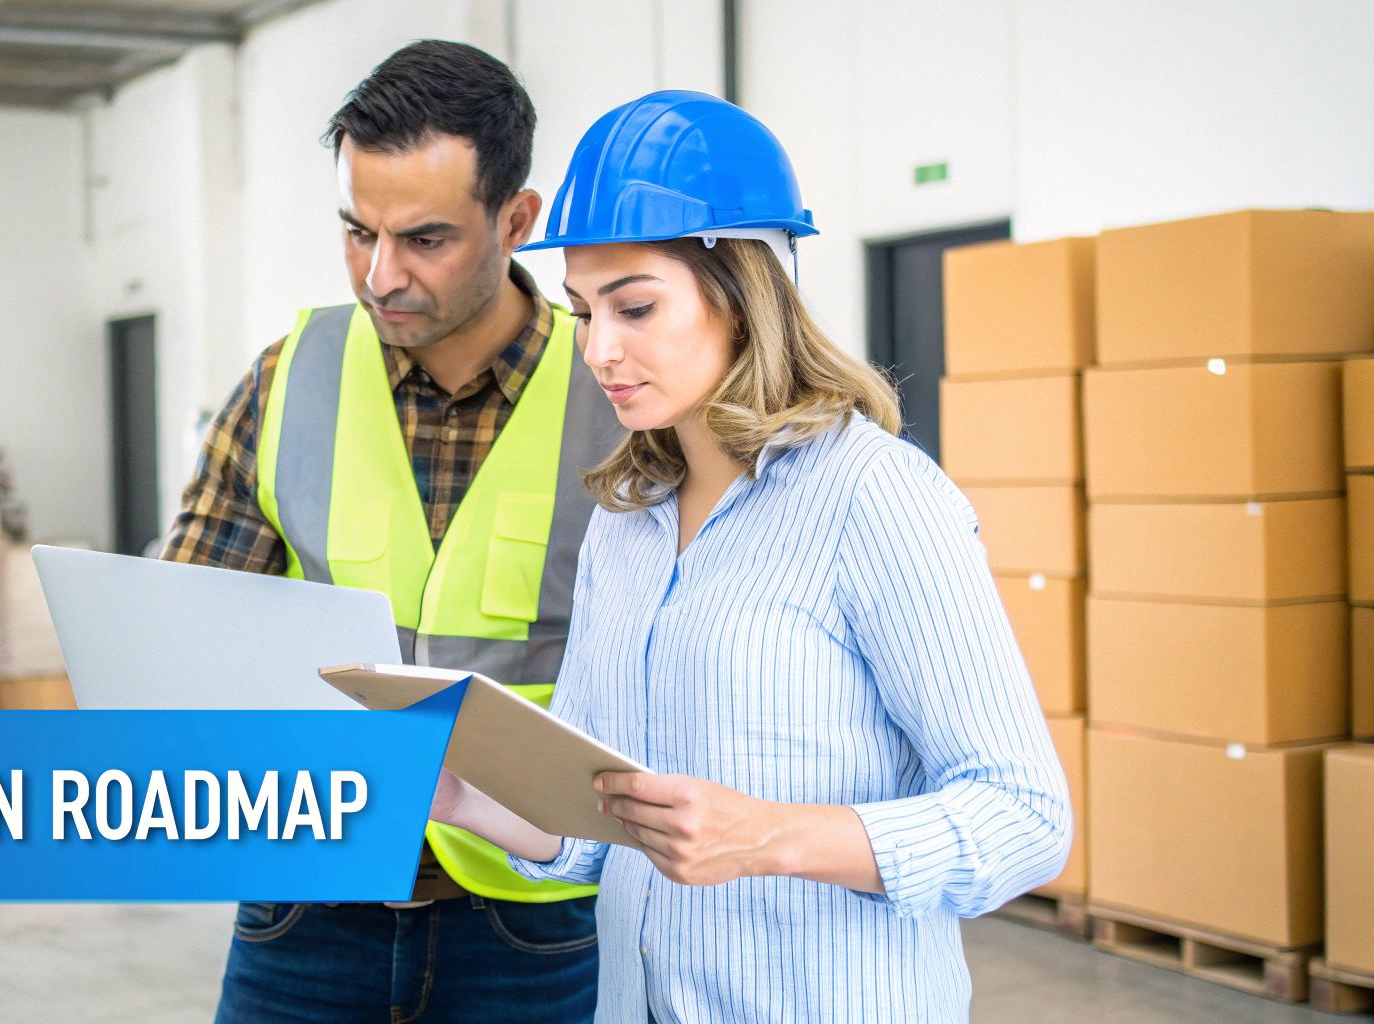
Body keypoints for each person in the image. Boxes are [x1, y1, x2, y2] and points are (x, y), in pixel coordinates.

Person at [430, 90, 1072, 1021]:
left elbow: (1025, 819)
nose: (600, 350)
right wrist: (458, 794)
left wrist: (769, 836)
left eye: (635, 307)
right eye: (583, 313)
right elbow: (593, 832)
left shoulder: (873, 497)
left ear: (741, 294)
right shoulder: (624, 522)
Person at [161, 40, 620, 1023]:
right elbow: (190, 626)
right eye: (355, 230)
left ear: (516, 221)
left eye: (424, 239)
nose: (381, 274)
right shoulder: (288, 377)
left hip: (533, 922)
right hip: (304, 908)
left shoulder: (618, 394)